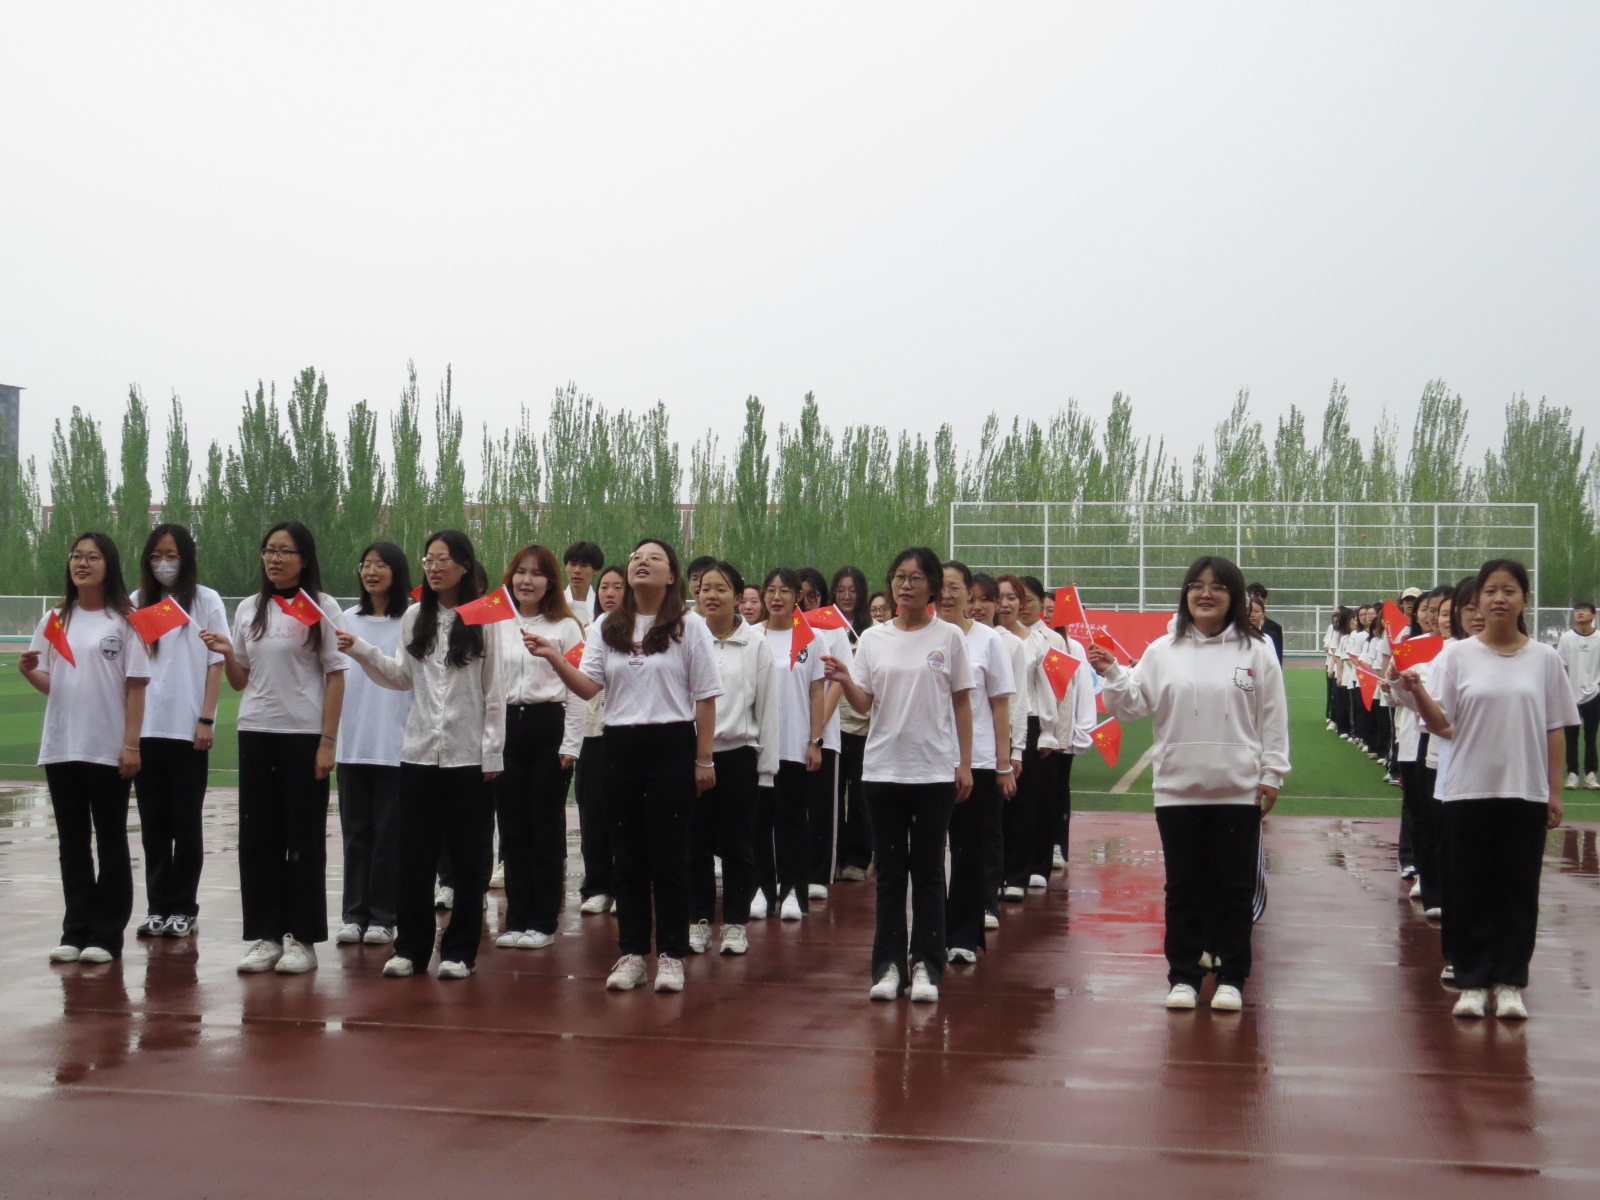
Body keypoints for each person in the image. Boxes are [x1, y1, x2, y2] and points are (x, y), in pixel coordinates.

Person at [1090, 554, 1290, 1013]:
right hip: (1177, 790)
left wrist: (1272, 773)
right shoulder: (1163, 651)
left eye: (1217, 586)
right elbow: (1131, 706)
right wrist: (1113, 673)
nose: (1206, 594)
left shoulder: (1257, 651)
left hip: (1238, 788)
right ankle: (1183, 975)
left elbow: (1273, 716)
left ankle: (1232, 976)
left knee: (1233, 888)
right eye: (1197, 585)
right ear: (1185, 594)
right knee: (1183, 887)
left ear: (1234, 597)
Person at [526, 538, 722, 994]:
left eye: (654, 558)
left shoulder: (688, 625)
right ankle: (633, 953)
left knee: (669, 856)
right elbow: (588, 686)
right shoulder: (606, 625)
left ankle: (671, 954)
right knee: (627, 856)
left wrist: (704, 758)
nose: (642, 563)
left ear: (671, 575)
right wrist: (554, 658)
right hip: (619, 745)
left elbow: (706, 698)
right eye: (636, 557)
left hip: (671, 743)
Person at [1394, 560, 1577, 1020]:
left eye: (1509, 590)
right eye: (1491, 591)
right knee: (1465, 887)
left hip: (1525, 790)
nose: (1499, 599)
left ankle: (1511, 982)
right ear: (1476, 602)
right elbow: (1440, 724)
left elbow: (1555, 728)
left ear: (1524, 600)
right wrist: (1417, 691)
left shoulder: (1545, 659)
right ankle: (1472, 981)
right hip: (1465, 790)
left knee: (1518, 888)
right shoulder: (1457, 656)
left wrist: (1554, 792)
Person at [338, 529, 505, 980]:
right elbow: (401, 677)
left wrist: (492, 753)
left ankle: (459, 952)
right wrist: (362, 651)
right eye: (428, 559)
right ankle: (410, 948)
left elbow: (494, 691)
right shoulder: (415, 616)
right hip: (418, 756)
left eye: (442, 559)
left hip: (468, 758)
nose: (433, 567)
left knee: (468, 861)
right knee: (413, 857)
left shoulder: (485, 619)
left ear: (464, 566)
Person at [823, 546, 973, 1004]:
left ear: (932, 587)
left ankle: (927, 965)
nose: (904, 586)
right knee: (889, 874)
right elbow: (864, 704)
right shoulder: (874, 639)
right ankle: (888, 966)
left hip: (932, 771)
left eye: (915, 578)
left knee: (928, 872)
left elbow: (962, 703)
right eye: (898, 577)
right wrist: (846, 680)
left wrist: (964, 763)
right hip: (883, 769)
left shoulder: (949, 637)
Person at [200, 522, 346, 975]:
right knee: (258, 840)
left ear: (305, 558)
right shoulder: (250, 608)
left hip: (303, 735)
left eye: (285, 551)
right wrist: (227, 652)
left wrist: (327, 741)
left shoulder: (321, 607)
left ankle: (302, 938)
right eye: (268, 550)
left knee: (303, 839)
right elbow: (240, 680)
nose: (274, 559)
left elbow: (336, 675)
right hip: (256, 730)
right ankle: (266, 935)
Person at [22, 532, 150, 964]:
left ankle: (106, 935)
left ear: (108, 565)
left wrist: (131, 744)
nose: (82, 563)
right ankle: (75, 930)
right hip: (62, 745)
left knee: (111, 841)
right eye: (76, 556)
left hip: (108, 746)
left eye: (92, 557)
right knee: (72, 844)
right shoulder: (55, 619)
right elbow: (53, 682)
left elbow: (136, 686)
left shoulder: (126, 621)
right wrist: (28, 671)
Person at [129, 524, 226, 941]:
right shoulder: (137, 601)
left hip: (187, 730)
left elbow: (216, 663)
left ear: (186, 558)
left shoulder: (205, 601)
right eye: (156, 556)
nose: (163, 564)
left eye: (171, 555)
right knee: (153, 824)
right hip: (146, 729)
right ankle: (157, 907)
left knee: (186, 824)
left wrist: (206, 719)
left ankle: (184, 907)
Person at [491, 544, 586, 951]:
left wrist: (572, 743)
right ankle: (516, 919)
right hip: (505, 729)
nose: (526, 580)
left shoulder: (565, 627)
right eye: (520, 572)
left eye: (536, 573)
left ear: (551, 582)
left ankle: (543, 922)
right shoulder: (497, 623)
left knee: (545, 830)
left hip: (549, 728)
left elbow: (579, 690)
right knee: (512, 829)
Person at [691, 562, 778, 955]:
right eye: (705, 588)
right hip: (695, 756)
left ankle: (735, 924)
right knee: (694, 843)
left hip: (739, 756)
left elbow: (768, 707)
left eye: (721, 588)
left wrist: (767, 769)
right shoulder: (686, 638)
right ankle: (698, 920)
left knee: (738, 845)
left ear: (739, 597)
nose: (711, 595)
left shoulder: (755, 644)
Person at [333, 542, 412, 947]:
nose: (371, 571)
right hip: (353, 743)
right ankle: (354, 914)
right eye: (365, 564)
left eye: (380, 565)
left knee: (389, 837)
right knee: (355, 833)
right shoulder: (345, 620)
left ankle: (384, 916)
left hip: (397, 745)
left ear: (397, 572)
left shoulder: (411, 620)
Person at [937, 561, 1016, 965]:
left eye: (955, 587)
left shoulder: (989, 641)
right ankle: (932, 933)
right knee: (930, 855)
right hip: (930, 760)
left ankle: (964, 937)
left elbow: (1000, 704)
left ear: (969, 593)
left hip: (977, 762)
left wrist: (1004, 763)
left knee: (968, 851)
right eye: (941, 587)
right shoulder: (925, 635)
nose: (947, 595)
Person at [755, 568, 825, 920]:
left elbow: (817, 692)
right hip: (758, 745)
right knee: (759, 821)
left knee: (793, 821)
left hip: (795, 743)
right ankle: (761, 890)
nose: (776, 597)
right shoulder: (752, 635)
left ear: (798, 596)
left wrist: (815, 740)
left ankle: (793, 892)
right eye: (770, 590)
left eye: (784, 590)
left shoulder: (809, 637)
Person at [576, 564, 627, 915]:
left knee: (624, 815)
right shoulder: (587, 632)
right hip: (591, 735)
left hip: (624, 734)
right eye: (605, 586)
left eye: (617, 586)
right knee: (592, 814)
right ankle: (597, 886)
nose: (609, 593)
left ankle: (626, 885)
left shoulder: (641, 634)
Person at [797, 566, 846, 902]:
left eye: (811, 596)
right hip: (787, 734)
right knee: (789, 807)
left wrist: (815, 729)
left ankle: (817, 874)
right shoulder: (781, 629)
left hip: (823, 735)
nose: (804, 602)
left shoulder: (834, 630)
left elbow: (837, 683)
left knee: (821, 806)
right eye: (798, 595)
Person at [830, 565, 874, 882]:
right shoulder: (826, 632)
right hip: (832, 725)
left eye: (853, 590)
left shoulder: (872, 634)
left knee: (860, 796)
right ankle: (832, 856)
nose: (846, 596)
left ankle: (857, 858)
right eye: (841, 590)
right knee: (831, 797)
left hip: (864, 727)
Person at [1557, 602, 1599, 789]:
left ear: (1593, 616)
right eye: (1577, 611)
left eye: (1584, 610)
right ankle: (1572, 775)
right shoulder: (1566, 638)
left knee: (1591, 736)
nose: (1579, 613)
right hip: (1570, 694)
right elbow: (1561, 666)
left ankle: (1590, 775)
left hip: (1594, 694)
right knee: (1571, 736)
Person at [562, 541, 605, 626]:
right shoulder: (553, 603)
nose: (577, 570)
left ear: (596, 570)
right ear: (565, 567)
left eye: (584, 566)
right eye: (572, 564)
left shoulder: (602, 605)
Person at [1246, 583, 1284, 664]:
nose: (1253, 602)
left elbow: (1277, 660)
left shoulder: (1275, 628)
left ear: (1265, 601)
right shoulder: (1237, 628)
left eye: (1256, 599)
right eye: (1250, 599)